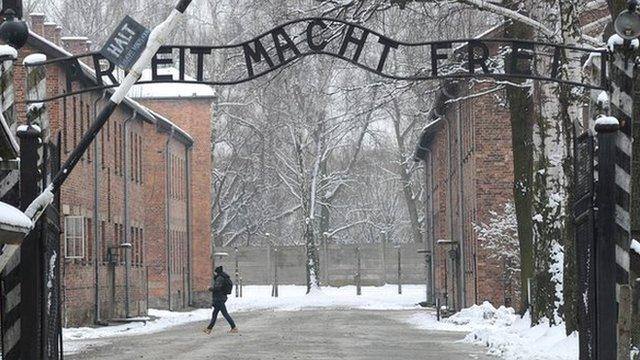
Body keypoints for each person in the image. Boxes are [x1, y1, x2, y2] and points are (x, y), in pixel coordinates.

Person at [203, 266, 238, 334]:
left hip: (219, 298)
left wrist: (210, 288)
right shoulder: (223, 277)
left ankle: (234, 327)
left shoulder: (220, 278)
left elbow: (217, 288)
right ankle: (209, 329)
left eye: (215, 272)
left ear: (217, 272)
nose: (214, 274)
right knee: (215, 314)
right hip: (221, 298)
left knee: (224, 313)